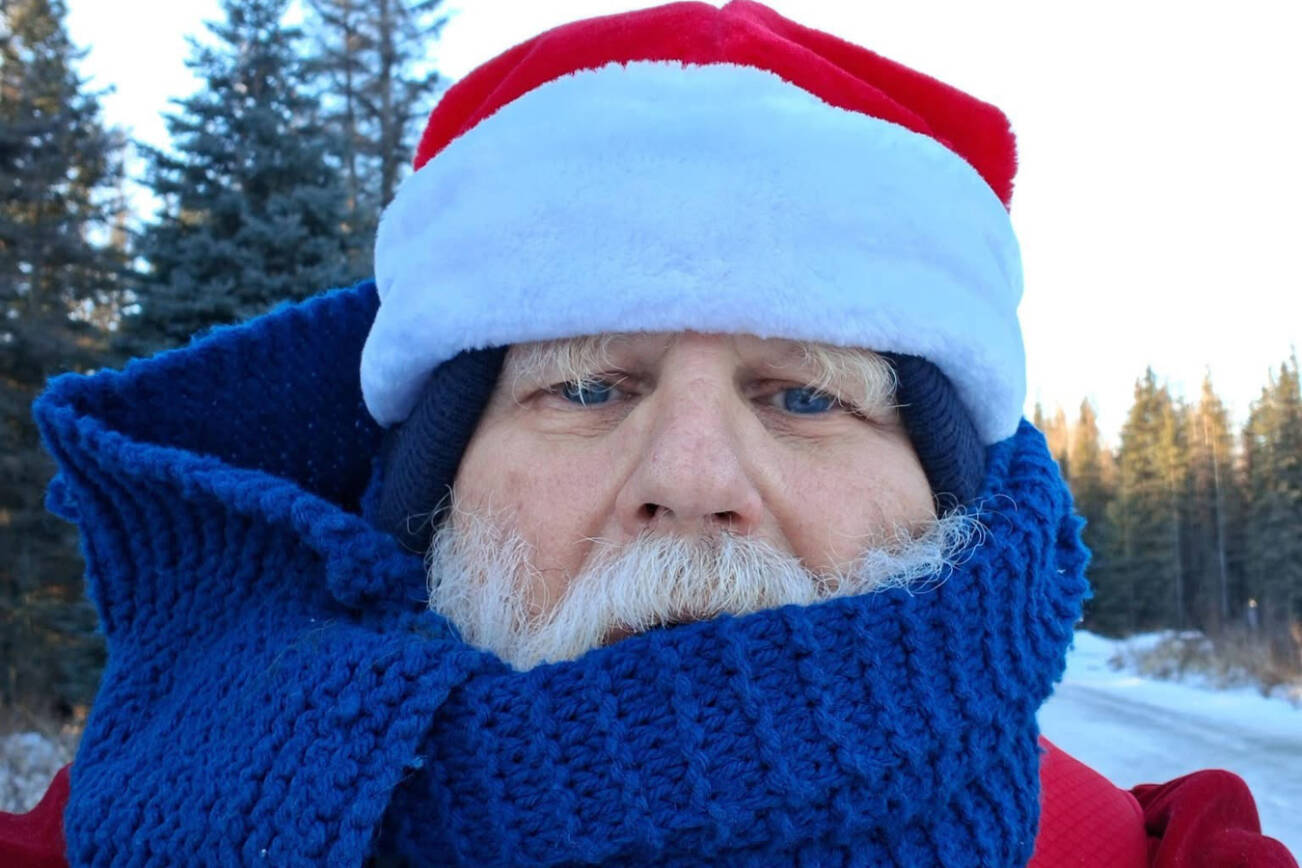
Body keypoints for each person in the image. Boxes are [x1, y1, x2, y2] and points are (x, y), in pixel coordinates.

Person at [2, 2, 1295, 865]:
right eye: (584, 389)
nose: (691, 482)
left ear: (947, 503)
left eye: (803, 396)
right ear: (432, 488)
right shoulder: (143, 814)